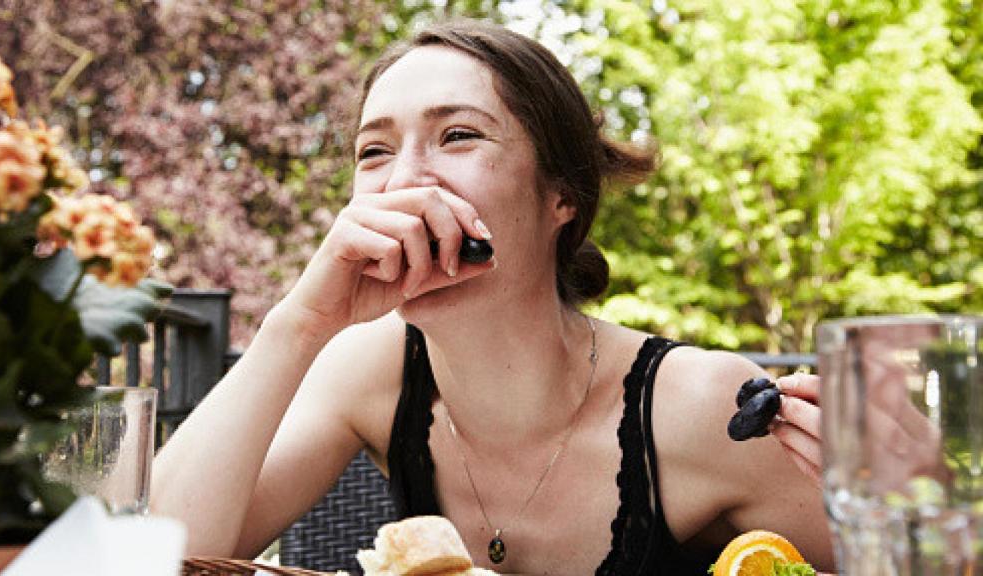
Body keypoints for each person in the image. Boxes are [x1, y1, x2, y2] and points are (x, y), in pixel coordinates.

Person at [151, 20, 835, 575]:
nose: (404, 181)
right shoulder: (365, 370)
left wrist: (912, 479)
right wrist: (298, 324)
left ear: (561, 195)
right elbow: (153, 558)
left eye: (459, 136)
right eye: (374, 152)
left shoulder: (705, 407)